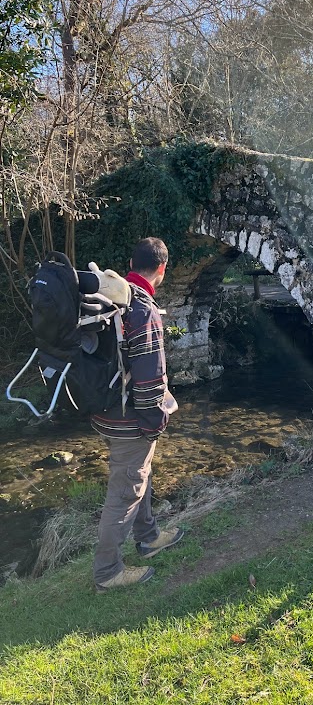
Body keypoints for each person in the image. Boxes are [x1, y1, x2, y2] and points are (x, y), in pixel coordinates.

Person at [91, 237, 183, 592]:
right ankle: (107, 572)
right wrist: (156, 420)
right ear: (162, 268)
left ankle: (149, 537)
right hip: (130, 418)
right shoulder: (142, 308)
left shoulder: (115, 295)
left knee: (137, 474)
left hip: (106, 411)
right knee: (125, 492)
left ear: (132, 263)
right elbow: (148, 377)